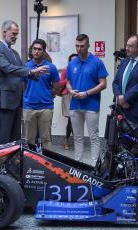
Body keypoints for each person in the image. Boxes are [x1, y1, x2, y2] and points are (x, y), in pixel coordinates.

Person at [0, 20, 49, 145]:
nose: (15, 37)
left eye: (17, 34)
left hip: (17, 101)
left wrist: (35, 74)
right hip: (6, 102)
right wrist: (31, 71)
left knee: (15, 138)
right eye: (13, 34)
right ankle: (0, 164)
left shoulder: (14, 53)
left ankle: (12, 164)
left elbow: (23, 70)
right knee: (4, 138)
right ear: (4, 32)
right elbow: (7, 67)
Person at [66, 34, 108, 165]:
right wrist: (70, 90)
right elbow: (67, 82)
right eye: (77, 46)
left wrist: (87, 93)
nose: (79, 49)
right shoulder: (72, 63)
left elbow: (103, 84)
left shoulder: (97, 62)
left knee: (94, 137)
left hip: (91, 105)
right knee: (77, 137)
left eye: (82, 46)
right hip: (75, 105)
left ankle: (96, 165)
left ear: (88, 46)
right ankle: (78, 164)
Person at [23, 39, 60, 149]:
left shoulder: (51, 67)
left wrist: (49, 95)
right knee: (29, 139)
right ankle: (30, 163)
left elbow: (56, 87)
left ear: (44, 51)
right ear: (32, 50)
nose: (37, 51)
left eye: (39, 49)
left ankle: (46, 164)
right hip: (29, 107)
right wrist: (29, 95)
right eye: (34, 49)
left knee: (46, 139)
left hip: (46, 107)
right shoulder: (26, 67)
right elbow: (23, 86)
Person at [59, 53, 78, 150]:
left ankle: (68, 139)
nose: (74, 62)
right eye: (72, 60)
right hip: (67, 95)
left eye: (76, 59)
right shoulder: (66, 69)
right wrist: (68, 79)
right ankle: (69, 139)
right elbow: (60, 82)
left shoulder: (80, 69)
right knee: (72, 118)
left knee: (75, 118)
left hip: (77, 95)